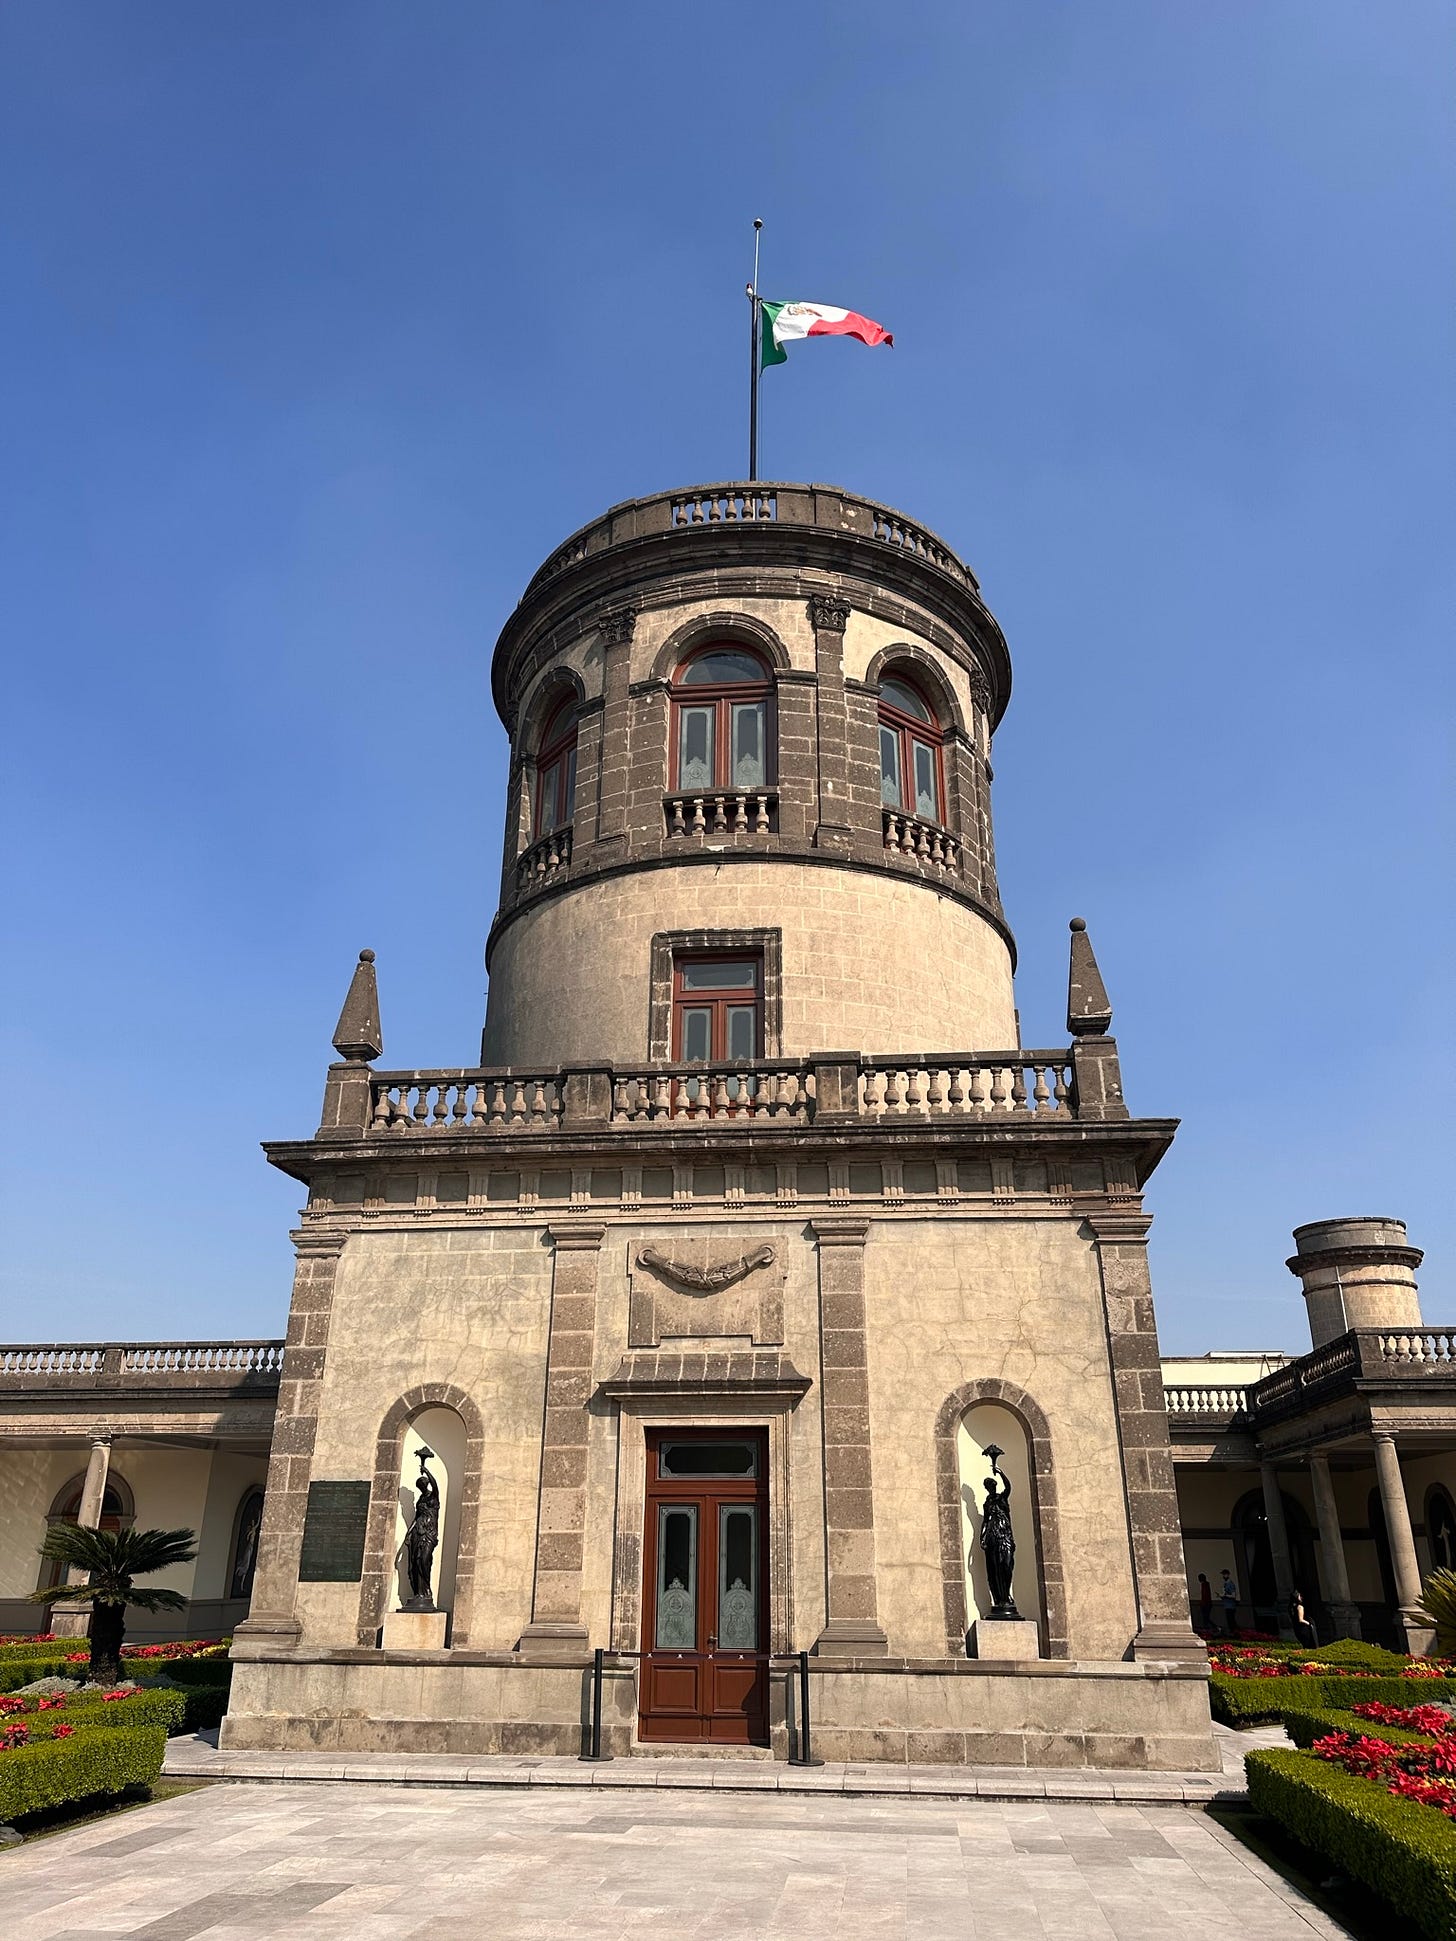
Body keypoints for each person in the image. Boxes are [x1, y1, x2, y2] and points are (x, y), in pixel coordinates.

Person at [1219, 1568, 1240, 1636]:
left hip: (1231, 1605)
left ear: (1227, 1575)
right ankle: (1233, 1632)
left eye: (1224, 1575)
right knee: (1229, 1620)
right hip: (1227, 1605)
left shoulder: (1230, 1584)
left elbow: (1233, 1595)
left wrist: (1225, 1595)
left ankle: (1235, 1632)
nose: (1223, 1576)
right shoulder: (1225, 1584)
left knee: (1231, 1620)